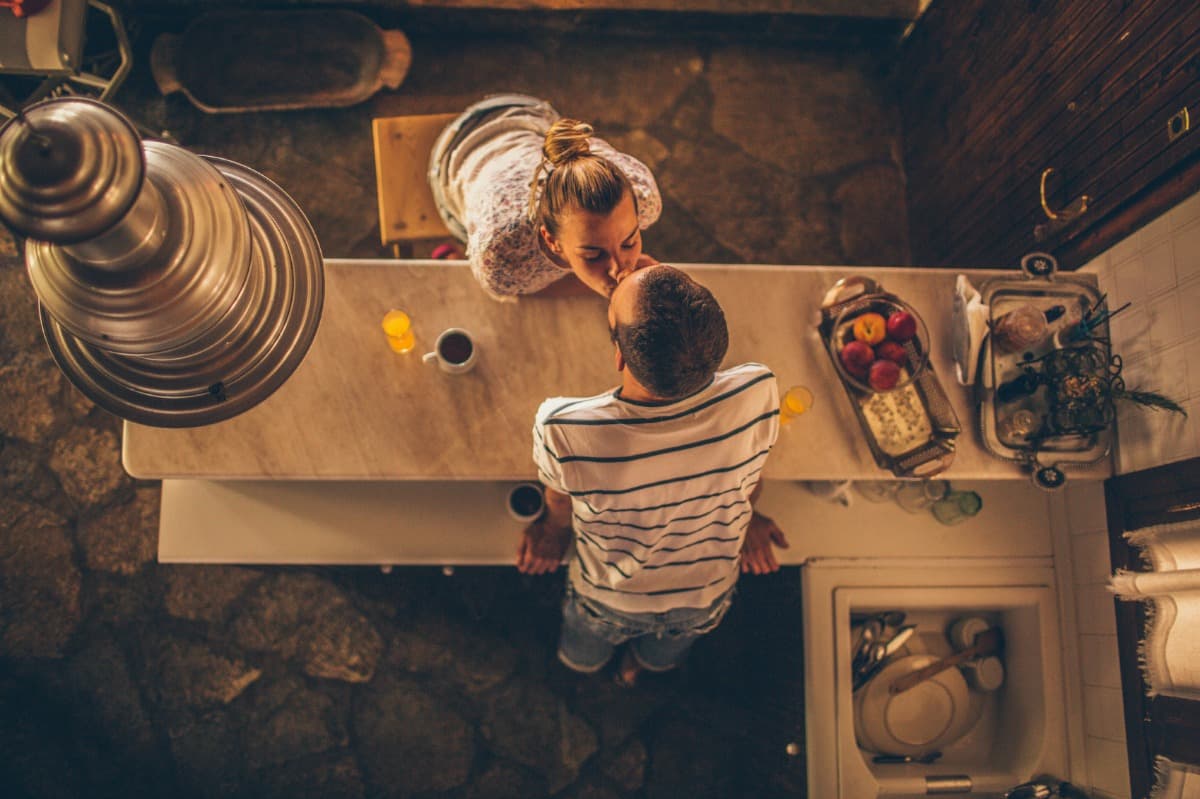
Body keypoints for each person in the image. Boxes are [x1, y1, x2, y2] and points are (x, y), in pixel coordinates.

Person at [517, 264, 789, 686]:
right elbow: (750, 479)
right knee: (670, 646)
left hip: (610, 595)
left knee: (586, 642)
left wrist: (553, 530)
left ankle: (584, 669)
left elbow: (558, 503)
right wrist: (748, 516)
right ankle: (644, 668)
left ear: (619, 355)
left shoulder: (564, 426)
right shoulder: (758, 390)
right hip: (707, 592)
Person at [428, 94, 662, 299]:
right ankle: (455, 256)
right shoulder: (502, 250)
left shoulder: (643, 196)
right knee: (466, 245)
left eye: (629, 242)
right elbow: (515, 292)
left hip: (525, 110)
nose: (620, 269)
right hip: (454, 150)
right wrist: (597, 288)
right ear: (551, 241)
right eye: (592, 255)